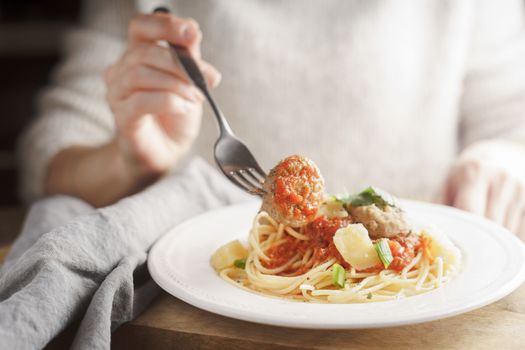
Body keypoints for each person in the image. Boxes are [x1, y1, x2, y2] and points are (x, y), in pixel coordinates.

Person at [19, 0, 525, 238]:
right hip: (191, 299)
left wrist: (503, 156)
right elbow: (50, 162)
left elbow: (512, 114)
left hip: (424, 291)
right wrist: (129, 158)